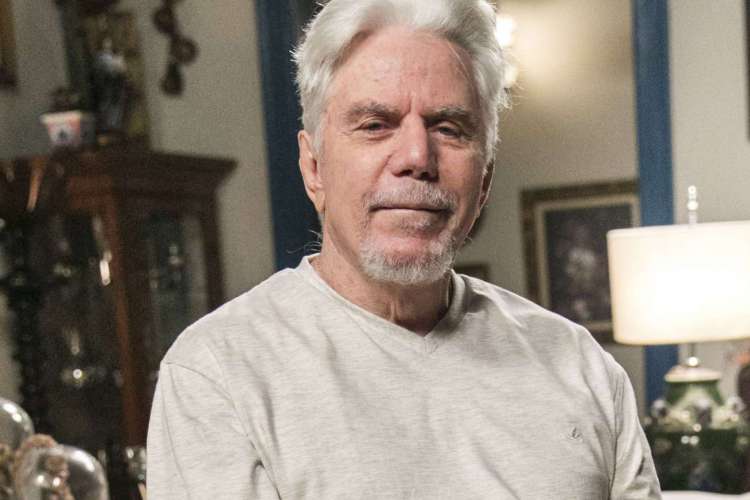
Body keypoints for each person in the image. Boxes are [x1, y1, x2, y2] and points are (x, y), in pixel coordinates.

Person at [146, 0, 661, 498]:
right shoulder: (219, 373)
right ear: (313, 167)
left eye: (448, 128)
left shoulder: (581, 368)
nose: (417, 157)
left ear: (484, 178)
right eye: (375, 125)